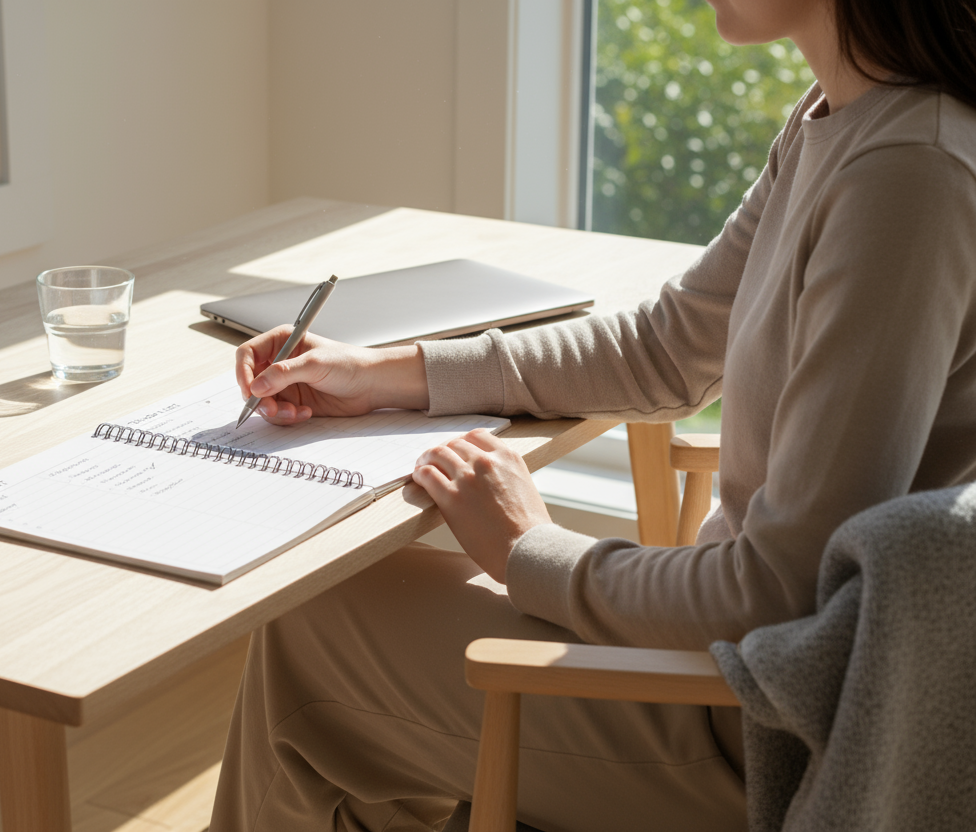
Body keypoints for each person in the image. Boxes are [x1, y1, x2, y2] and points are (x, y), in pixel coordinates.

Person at [210, 0, 976, 829]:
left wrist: (529, 550)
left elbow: (778, 594)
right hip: (738, 663)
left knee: (308, 635)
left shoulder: (907, 174)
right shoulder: (843, 118)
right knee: (353, 706)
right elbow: (669, 346)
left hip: (756, 723)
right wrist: (384, 373)